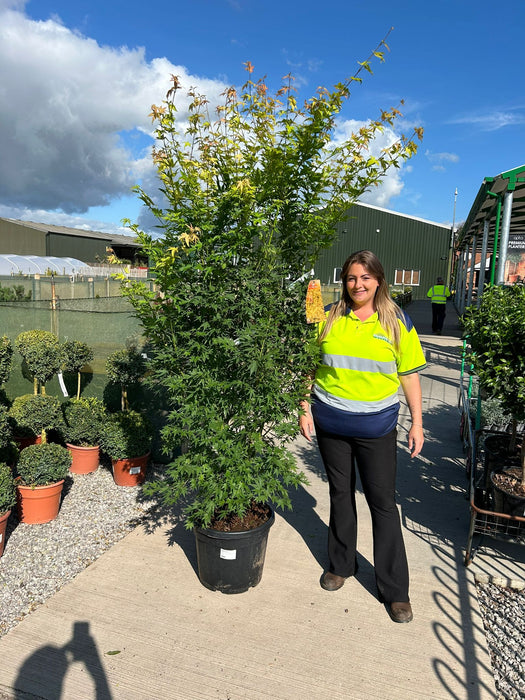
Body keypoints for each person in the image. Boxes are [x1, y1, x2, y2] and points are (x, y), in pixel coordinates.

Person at [299, 250, 426, 624]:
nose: (358, 285)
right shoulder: (329, 317)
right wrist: (304, 408)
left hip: (377, 429)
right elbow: (310, 362)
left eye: (366, 278)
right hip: (331, 424)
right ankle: (341, 565)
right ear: (345, 281)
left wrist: (417, 422)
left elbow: (410, 375)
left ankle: (394, 590)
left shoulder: (396, 320)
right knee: (340, 495)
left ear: (378, 280)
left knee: (382, 504)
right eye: (352, 278)